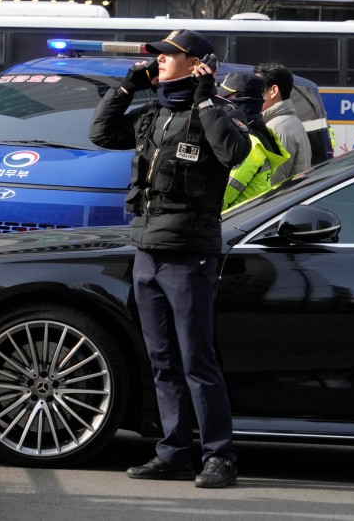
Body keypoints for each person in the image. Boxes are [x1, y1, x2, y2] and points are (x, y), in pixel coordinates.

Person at [88, 29, 249, 489]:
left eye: (168, 56)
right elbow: (100, 133)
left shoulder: (216, 109)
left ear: (199, 62)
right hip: (147, 252)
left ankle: (219, 456)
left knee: (196, 359)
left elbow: (233, 152)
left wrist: (205, 99)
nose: (157, 62)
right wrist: (126, 86)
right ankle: (174, 451)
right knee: (161, 359)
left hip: (189, 255)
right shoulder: (155, 112)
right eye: (155, 57)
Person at [218, 72, 289, 209]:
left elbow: (221, 196)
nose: (221, 102)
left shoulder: (250, 142)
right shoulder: (255, 132)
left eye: (226, 97)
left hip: (232, 222)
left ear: (243, 100)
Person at [254, 62, 312, 184]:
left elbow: (270, 185)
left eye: (256, 89)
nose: (251, 95)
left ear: (273, 91)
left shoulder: (276, 129)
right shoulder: (289, 122)